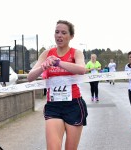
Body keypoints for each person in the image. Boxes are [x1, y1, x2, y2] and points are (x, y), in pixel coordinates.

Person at [27, 20, 88, 150]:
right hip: (53, 105)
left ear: (71, 36)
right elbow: (30, 77)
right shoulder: (46, 54)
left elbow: (82, 70)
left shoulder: (76, 53)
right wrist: (43, 67)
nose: (59, 35)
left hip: (73, 105)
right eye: (57, 32)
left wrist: (58, 63)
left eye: (63, 32)